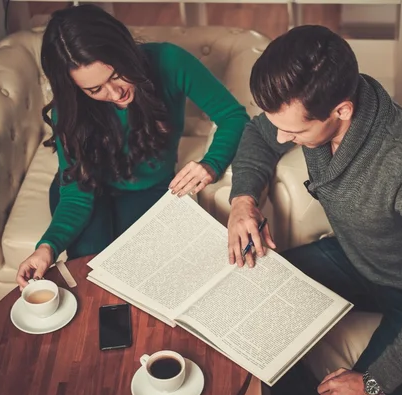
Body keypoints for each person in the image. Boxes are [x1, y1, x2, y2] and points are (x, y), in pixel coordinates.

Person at [227, 25, 402, 395]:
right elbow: (258, 134)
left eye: (294, 131)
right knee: (247, 299)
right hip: (359, 258)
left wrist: (372, 382)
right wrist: (243, 200)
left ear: (342, 110)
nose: (282, 139)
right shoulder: (314, 106)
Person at [16, 5, 249, 288]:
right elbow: (78, 195)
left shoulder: (169, 61)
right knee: (93, 279)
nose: (115, 93)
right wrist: (47, 247)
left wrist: (212, 163)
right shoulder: (67, 111)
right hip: (88, 192)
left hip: (149, 191)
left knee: (146, 279)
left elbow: (233, 116)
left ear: (123, 51)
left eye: (115, 74)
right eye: (94, 90)